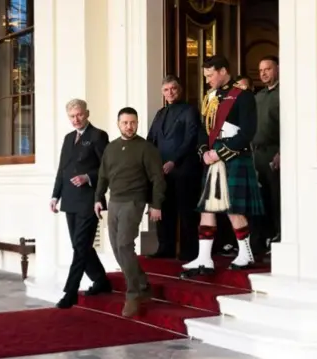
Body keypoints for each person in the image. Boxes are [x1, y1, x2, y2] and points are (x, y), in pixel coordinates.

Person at [181, 55, 265, 277]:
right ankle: (204, 258)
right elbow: (203, 129)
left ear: (223, 71)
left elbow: (247, 132)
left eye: (210, 75)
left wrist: (219, 153)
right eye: (205, 75)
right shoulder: (210, 97)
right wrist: (204, 151)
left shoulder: (243, 97)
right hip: (212, 157)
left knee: (234, 209)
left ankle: (245, 254)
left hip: (233, 156)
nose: (207, 80)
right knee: (207, 207)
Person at [94, 107, 166, 318]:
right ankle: (142, 284)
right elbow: (102, 176)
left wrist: (156, 204)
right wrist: (98, 198)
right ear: (118, 124)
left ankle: (133, 294)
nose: (129, 126)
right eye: (125, 122)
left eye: (133, 122)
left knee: (125, 245)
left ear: (137, 123)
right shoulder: (111, 148)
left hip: (134, 201)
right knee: (117, 248)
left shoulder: (146, 148)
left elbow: (157, 179)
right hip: (114, 201)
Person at [50, 99, 112, 309]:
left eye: (79, 115)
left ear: (87, 113)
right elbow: (62, 169)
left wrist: (88, 177)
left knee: (80, 248)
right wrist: (55, 196)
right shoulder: (68, 138)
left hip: (89, 199)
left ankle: (70, 292)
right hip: (69, 200)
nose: (76, 120)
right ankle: (101, 280)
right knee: (80, 245)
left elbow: (108, 168)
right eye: (72, 116)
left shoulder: (98, 135)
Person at [147, 75, 202, 260]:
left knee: (186, 212)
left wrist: (174, 161)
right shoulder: (160, 113)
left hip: (184, 169)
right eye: (166, 90)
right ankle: (165, 248)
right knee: (164, 209)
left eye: (173, 88)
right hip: (162, 171)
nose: (170, 92)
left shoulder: (190, 110)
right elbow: (151, 140)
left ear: (180, 90)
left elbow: (191, 139)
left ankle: (190, 252)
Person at [253, 55, 281, 254]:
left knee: (276, 198)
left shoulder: (284, 94)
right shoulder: (258, 97)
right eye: (261, 70)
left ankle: (280, 237)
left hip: (275, 153)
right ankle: (263, 239)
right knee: (260, 199)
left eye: (268, 69)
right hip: (257, 154)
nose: (263, 73)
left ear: (277, 69)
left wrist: (281, 152)